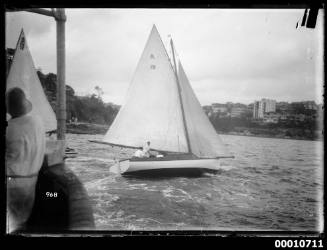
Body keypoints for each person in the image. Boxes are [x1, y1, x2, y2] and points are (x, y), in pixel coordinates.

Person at [6, 87, 46, 233]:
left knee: (12, 223)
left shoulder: (9, 128)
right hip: (31, 182)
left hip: (11, 181)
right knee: (22, 222)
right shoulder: (38, 122)